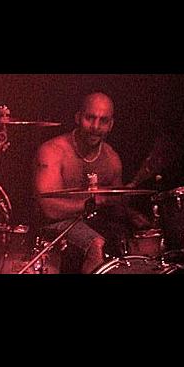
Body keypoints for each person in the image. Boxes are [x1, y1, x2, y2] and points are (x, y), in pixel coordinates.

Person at [33, 92, 151, 274]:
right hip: (53, 226)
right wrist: (95, 202)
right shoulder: (52, 151)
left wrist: (131, 215)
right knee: (95, 244)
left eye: (103, 121)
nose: (95, 127)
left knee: (133, 242)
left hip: (92, 223)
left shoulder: (112, 158)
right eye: (90, 118)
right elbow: (49, 209)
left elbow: (114, 206)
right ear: (78, 117)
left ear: (111, 125)